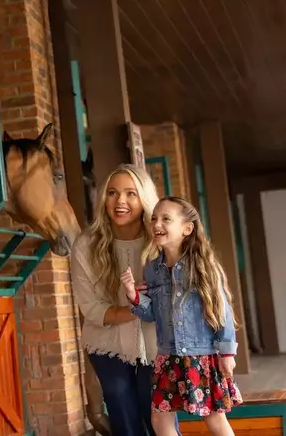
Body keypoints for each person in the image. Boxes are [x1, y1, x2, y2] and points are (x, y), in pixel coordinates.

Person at [71, 164, 181, 435]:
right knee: (125, 423)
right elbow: (91, 308)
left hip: (157, 343)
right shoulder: (86, 245)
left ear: (144, 199)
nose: (120, 201)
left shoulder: (161, 241)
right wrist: (138, 307)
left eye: (131, 193)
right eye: (112, 193)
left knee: (160, 422)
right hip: (107, 343)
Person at [122, 196, 243, 435]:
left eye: (166, 219)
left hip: (202, 355)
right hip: (168, 358)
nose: (157, 224)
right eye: (154, 218)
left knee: (214, 418)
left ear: (187, 228)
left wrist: (227, 352)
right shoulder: (152, 270)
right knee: (159, 418)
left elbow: (222, 310)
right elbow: (152, 315)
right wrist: (133, 296)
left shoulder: (202, 266)